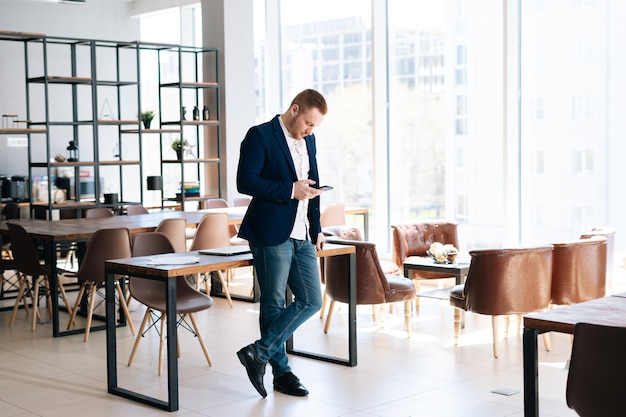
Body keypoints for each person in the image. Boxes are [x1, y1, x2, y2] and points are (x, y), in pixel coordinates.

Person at [235, 89, 328, 398]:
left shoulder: (309, 140)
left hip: (301, 231)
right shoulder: (259, 135)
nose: (310, 131)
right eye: (308, 124)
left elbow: (310, 183)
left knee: (311, 299)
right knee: (274, 303)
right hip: (270, 230)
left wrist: (317, 228)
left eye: (314, 127)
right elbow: (245, 181)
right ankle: (282, 374)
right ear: (294, 109)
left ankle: (258, 353)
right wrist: (290, 190)